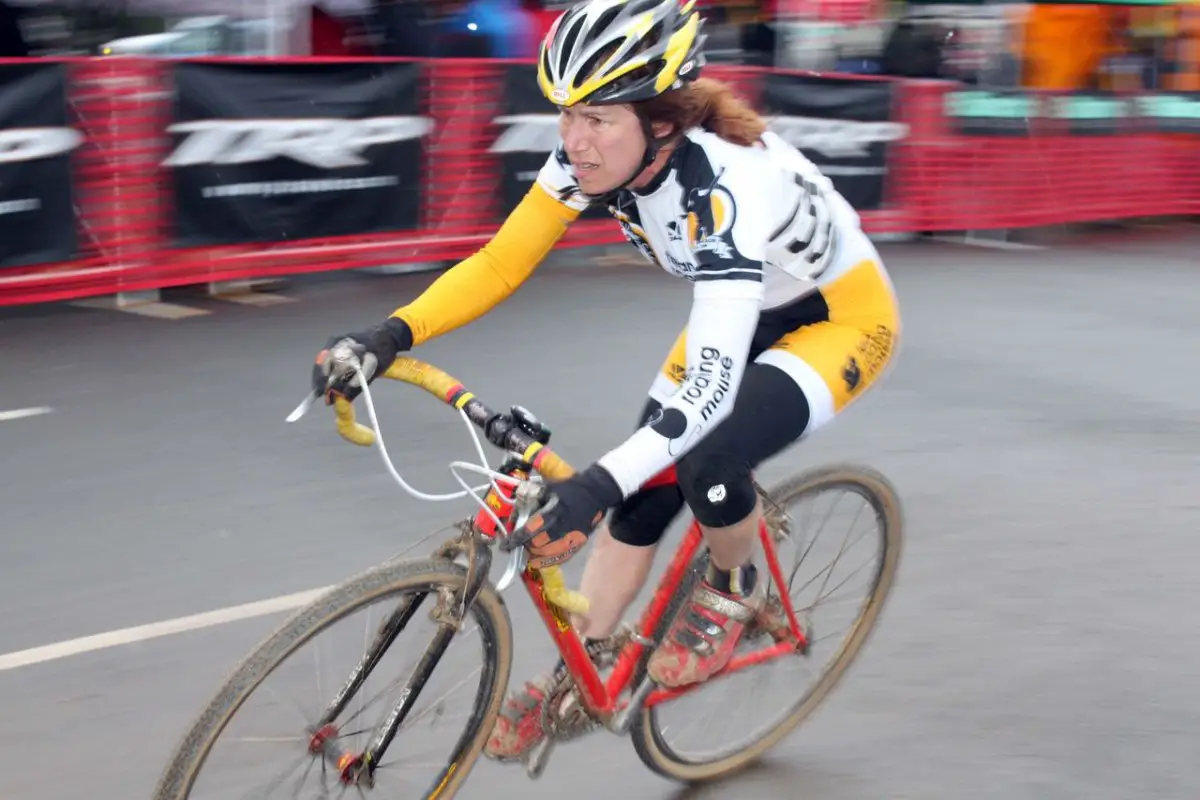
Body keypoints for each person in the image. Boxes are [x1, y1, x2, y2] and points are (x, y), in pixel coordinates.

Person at [312, 0, 901, 763]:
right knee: (637, 504)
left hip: (837, 317)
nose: (573, 141)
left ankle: (736, 580)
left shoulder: (723, 188)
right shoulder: (596, 156)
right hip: (742, 309)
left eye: (596, 119)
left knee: (706, 460)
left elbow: (708, 400)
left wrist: (589, 486)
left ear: (661, 119)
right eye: (565, 115)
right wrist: (388, 335)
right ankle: (580, 674)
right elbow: (499, 263)